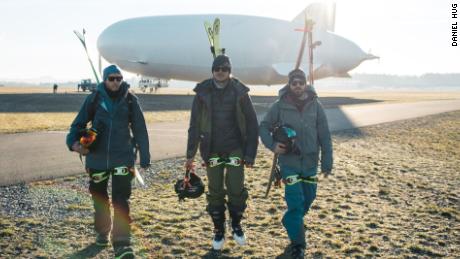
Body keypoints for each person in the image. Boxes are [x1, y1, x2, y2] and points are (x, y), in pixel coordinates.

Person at [66, 65, 150, 259]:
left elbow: (140, 129)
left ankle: (122, 244)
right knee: (100, 201)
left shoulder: (130, 100)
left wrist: (145, 156)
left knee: (121, 201)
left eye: (119, 78)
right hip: (96, 160)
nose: (115, 82)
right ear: (104, 79)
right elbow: (76, 126)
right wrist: (74, 144)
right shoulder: (93, 99)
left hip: (123, 158)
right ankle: (102, 232)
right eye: (112, 78)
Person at [185, 54, 259, 251]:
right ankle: (219, 229)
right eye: (217, 68)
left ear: (229, 70)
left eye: (224, 69)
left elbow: (252, 124)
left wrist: (250, 154)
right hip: (212, 150)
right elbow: (194, 125)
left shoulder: (240, 92)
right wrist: (190, 155)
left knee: (236, 189)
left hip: (235, 148)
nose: (220, 72)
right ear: (212, 70)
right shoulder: (202, 93)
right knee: (215, 190)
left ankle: (236, 225)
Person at [259, 68, 333, 258]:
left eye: (301, 82)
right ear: (289, 85)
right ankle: (299, 245)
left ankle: (291, 221)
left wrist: (327, 161)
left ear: (305, 83)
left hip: (310, 163)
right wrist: (272, 145)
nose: (298, 86)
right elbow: (264, 127)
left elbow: (324, 134)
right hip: (289, 163)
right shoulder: (279, 105)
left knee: (308, 199)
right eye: (294, 83)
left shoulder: (316, 105)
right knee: (296, 204)